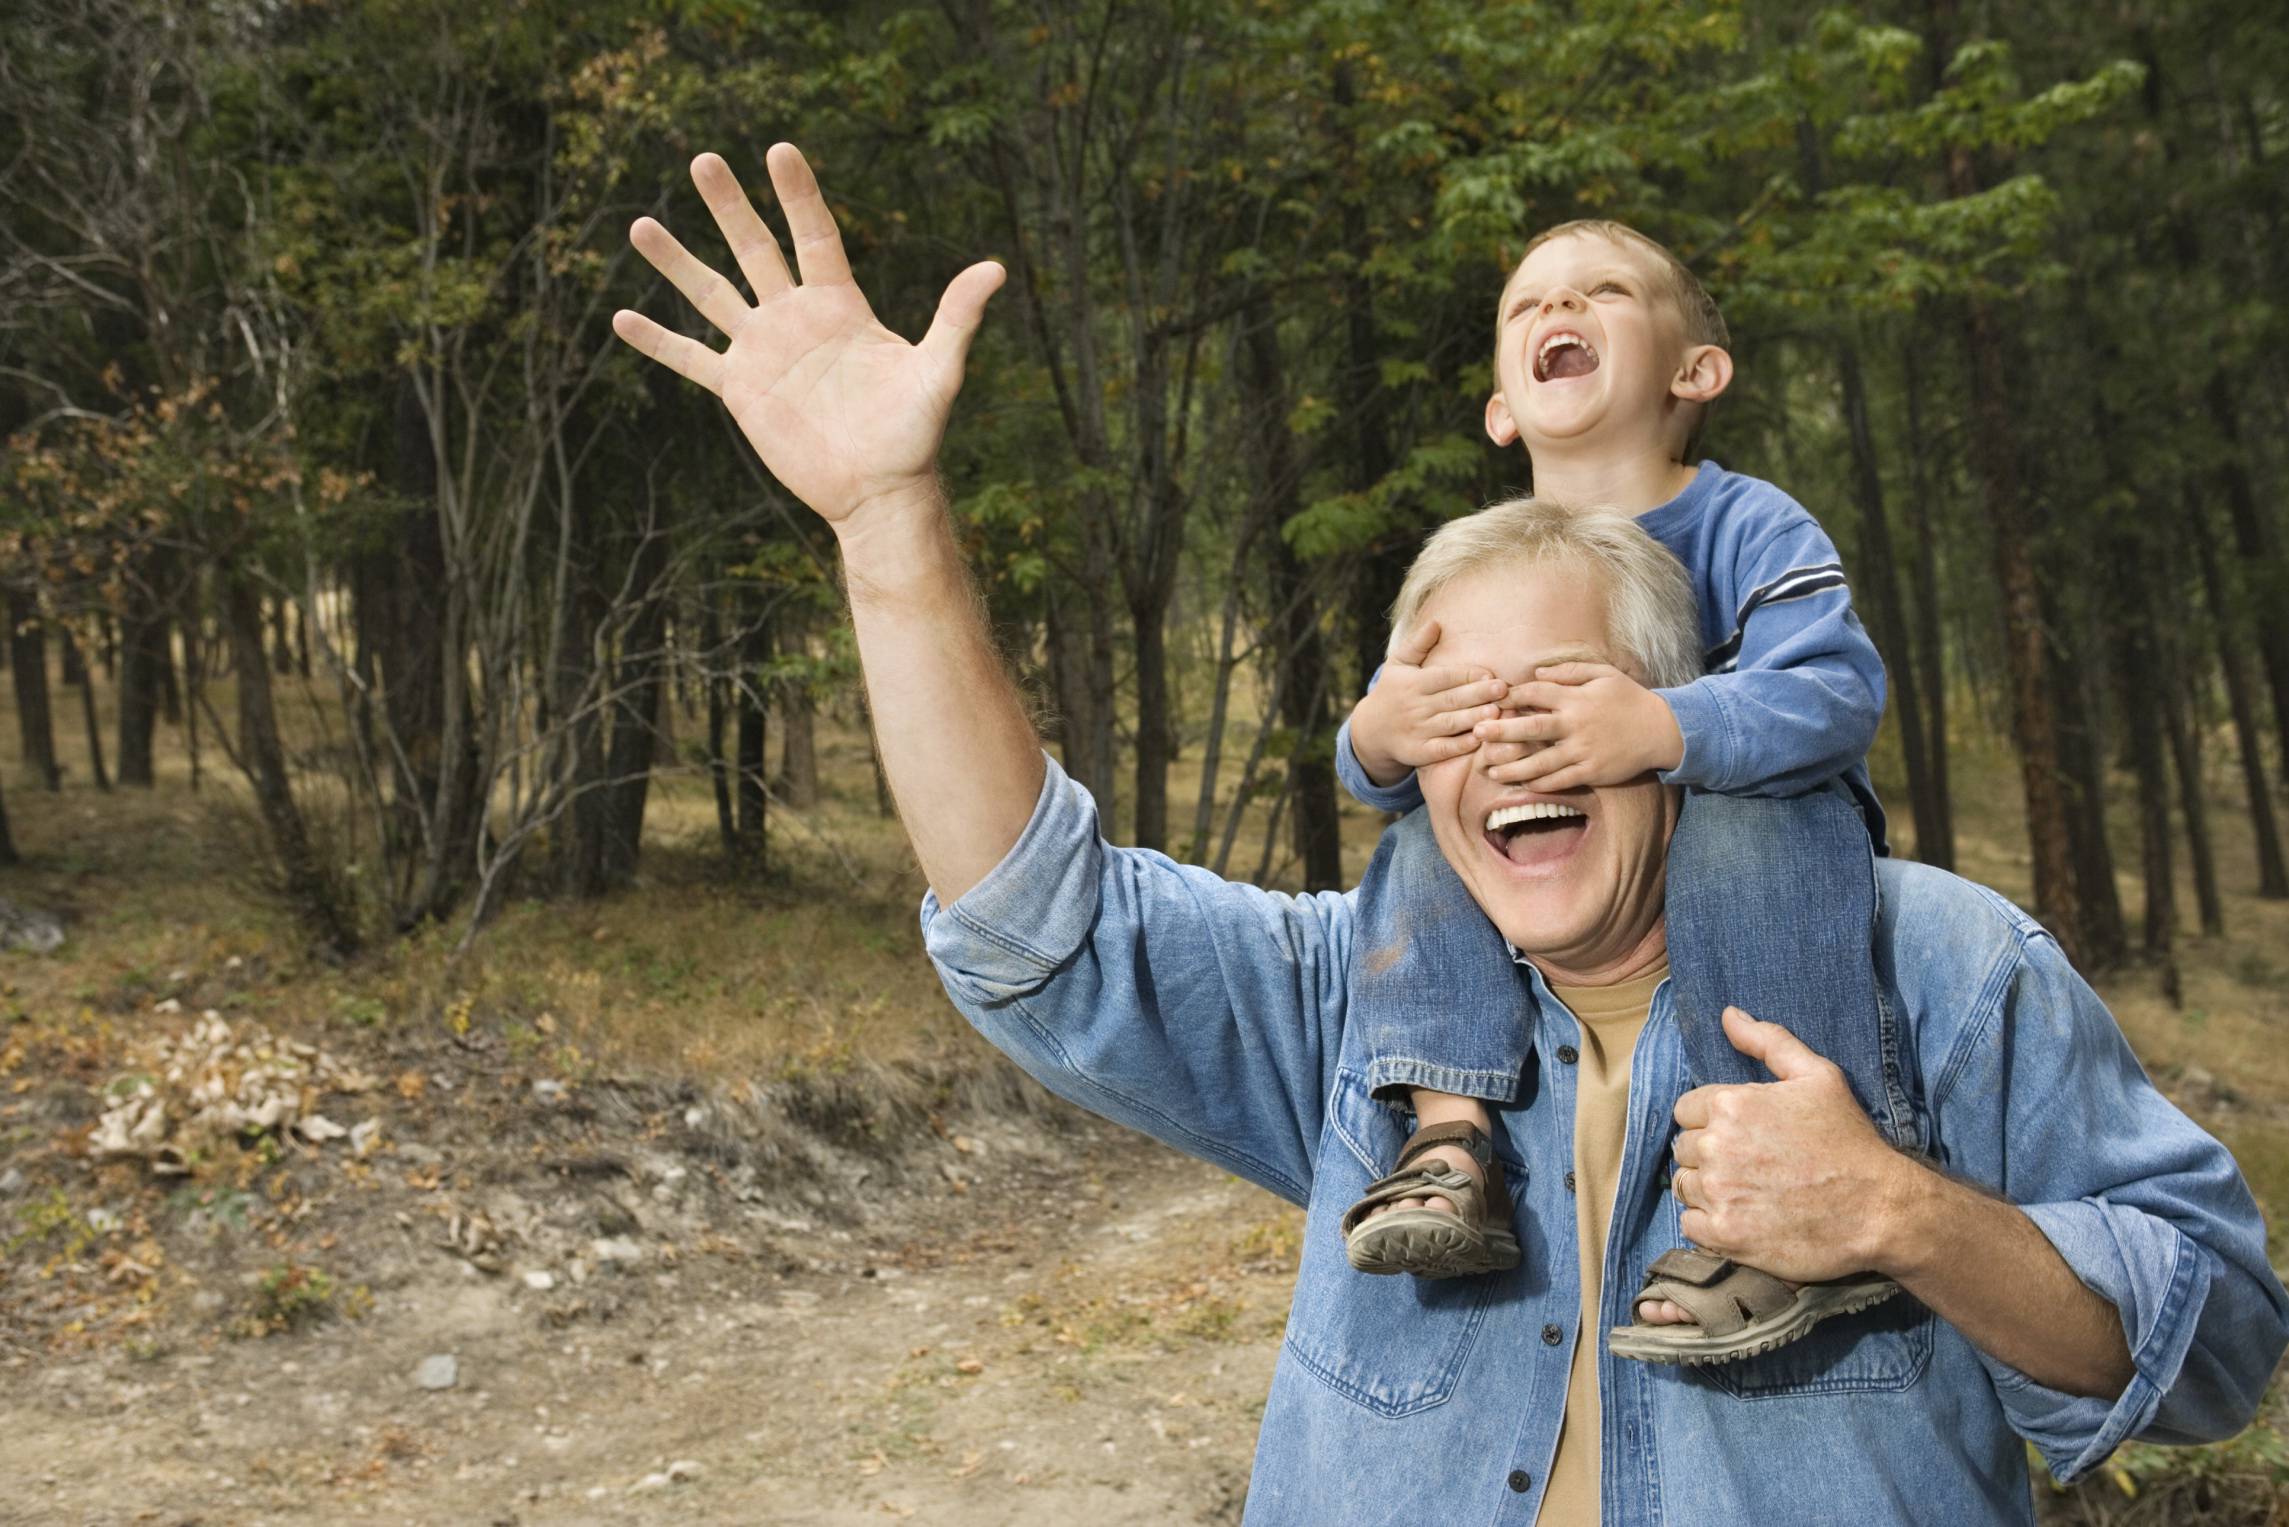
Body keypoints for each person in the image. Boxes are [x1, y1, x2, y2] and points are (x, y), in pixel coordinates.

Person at [612, 143, 2289, 1526]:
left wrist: (1898, 1217)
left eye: (1552, 692)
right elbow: (1036, 922)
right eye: (1450, 708)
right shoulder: (1374, 986)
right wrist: (888, 516)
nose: (1498, 744)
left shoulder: (1937, 966)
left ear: (1665, 721)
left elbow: (2211, 1344)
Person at [1335, 218, 1902, 1371]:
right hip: (1566, 835)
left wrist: (1661, 726)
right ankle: (1451, 1141)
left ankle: (1791, 1200)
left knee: (1744, 828)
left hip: (1767, 831)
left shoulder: (1746, 523)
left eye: (1602, 292)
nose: (1559, 311)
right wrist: (1379, 741)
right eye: (1527, 305)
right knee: (1413, 852)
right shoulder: (1492, 562)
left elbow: (1839, 689)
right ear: (1501, 405)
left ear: (1695, 373)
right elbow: (1394, 772)